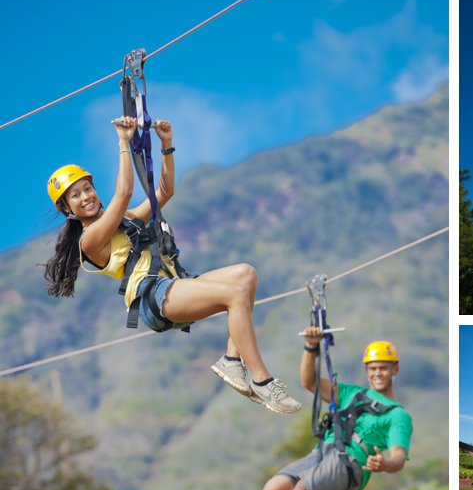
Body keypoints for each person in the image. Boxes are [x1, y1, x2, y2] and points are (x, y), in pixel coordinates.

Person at [43, 117, 300, 415]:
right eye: (76, 196)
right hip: (153, 296)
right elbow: (124, 192)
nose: (86, 196)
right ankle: (262, 380)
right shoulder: (90, 240)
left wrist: (167, 146)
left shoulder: (124, 220)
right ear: (66, 209)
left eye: (87, 188)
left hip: (170, 285)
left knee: (245, 274)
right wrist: (123, 142)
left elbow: (163, 193)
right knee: (235, 294)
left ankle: (231, 361)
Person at [230, 332, 412, 490]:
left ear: (395, 369)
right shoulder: (350, 393)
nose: (378, 373)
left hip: (350, 465)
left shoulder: (398, 416)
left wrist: (384, 462)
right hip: (322, 451)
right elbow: (309, 382)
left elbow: (398, 457)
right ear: (366, 370)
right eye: (373, 368)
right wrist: (311, 347)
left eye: (383, 368)